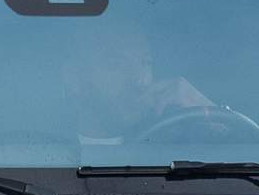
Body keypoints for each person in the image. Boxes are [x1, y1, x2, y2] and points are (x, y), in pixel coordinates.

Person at [67, 27, 212, 146]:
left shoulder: (179, 143)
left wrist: (209, 114)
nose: (138, 79)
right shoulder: (48, 148)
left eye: (145, 62)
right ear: (73, 77)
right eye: (115, 64)